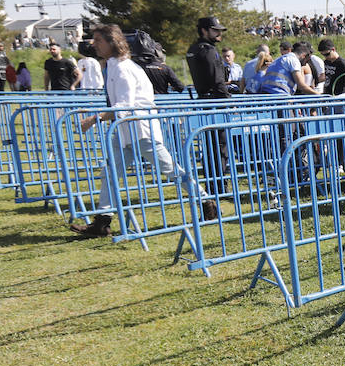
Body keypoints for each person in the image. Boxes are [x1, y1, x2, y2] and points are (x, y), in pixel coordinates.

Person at [69, 24, 216, 237]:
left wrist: (95, 118)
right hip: (125, 131)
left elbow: (125, 106)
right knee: (110, 173)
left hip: (140, 131)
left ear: (112, 42)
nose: (94, 44)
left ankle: (206, 202)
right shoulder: (114, 66)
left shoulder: (123, 68)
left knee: (171, 170)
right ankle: (102, 222)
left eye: (98, 40)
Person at [185, 17, 232, 200]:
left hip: (203, 101)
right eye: (215, 30)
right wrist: (229, 102)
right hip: (215, 102)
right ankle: (219, 187)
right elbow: (217, 80)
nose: (219, 33)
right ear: (204, 31)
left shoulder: (193, 49)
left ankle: (213, 185)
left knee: (210, 146)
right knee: (220, 147)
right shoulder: (209, 51)